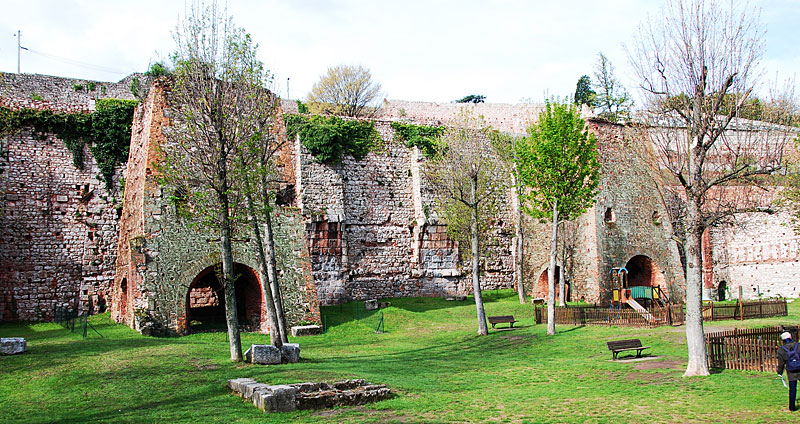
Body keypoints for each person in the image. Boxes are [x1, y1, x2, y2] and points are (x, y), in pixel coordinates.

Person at [777, 331, 799, 411]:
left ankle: (792, 407)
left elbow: (781, 363)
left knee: (792, 389)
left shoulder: (781, 350)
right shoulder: (798, 346)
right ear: (791, 337)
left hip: (791, 371)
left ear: (782, 340)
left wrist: (779, 372)